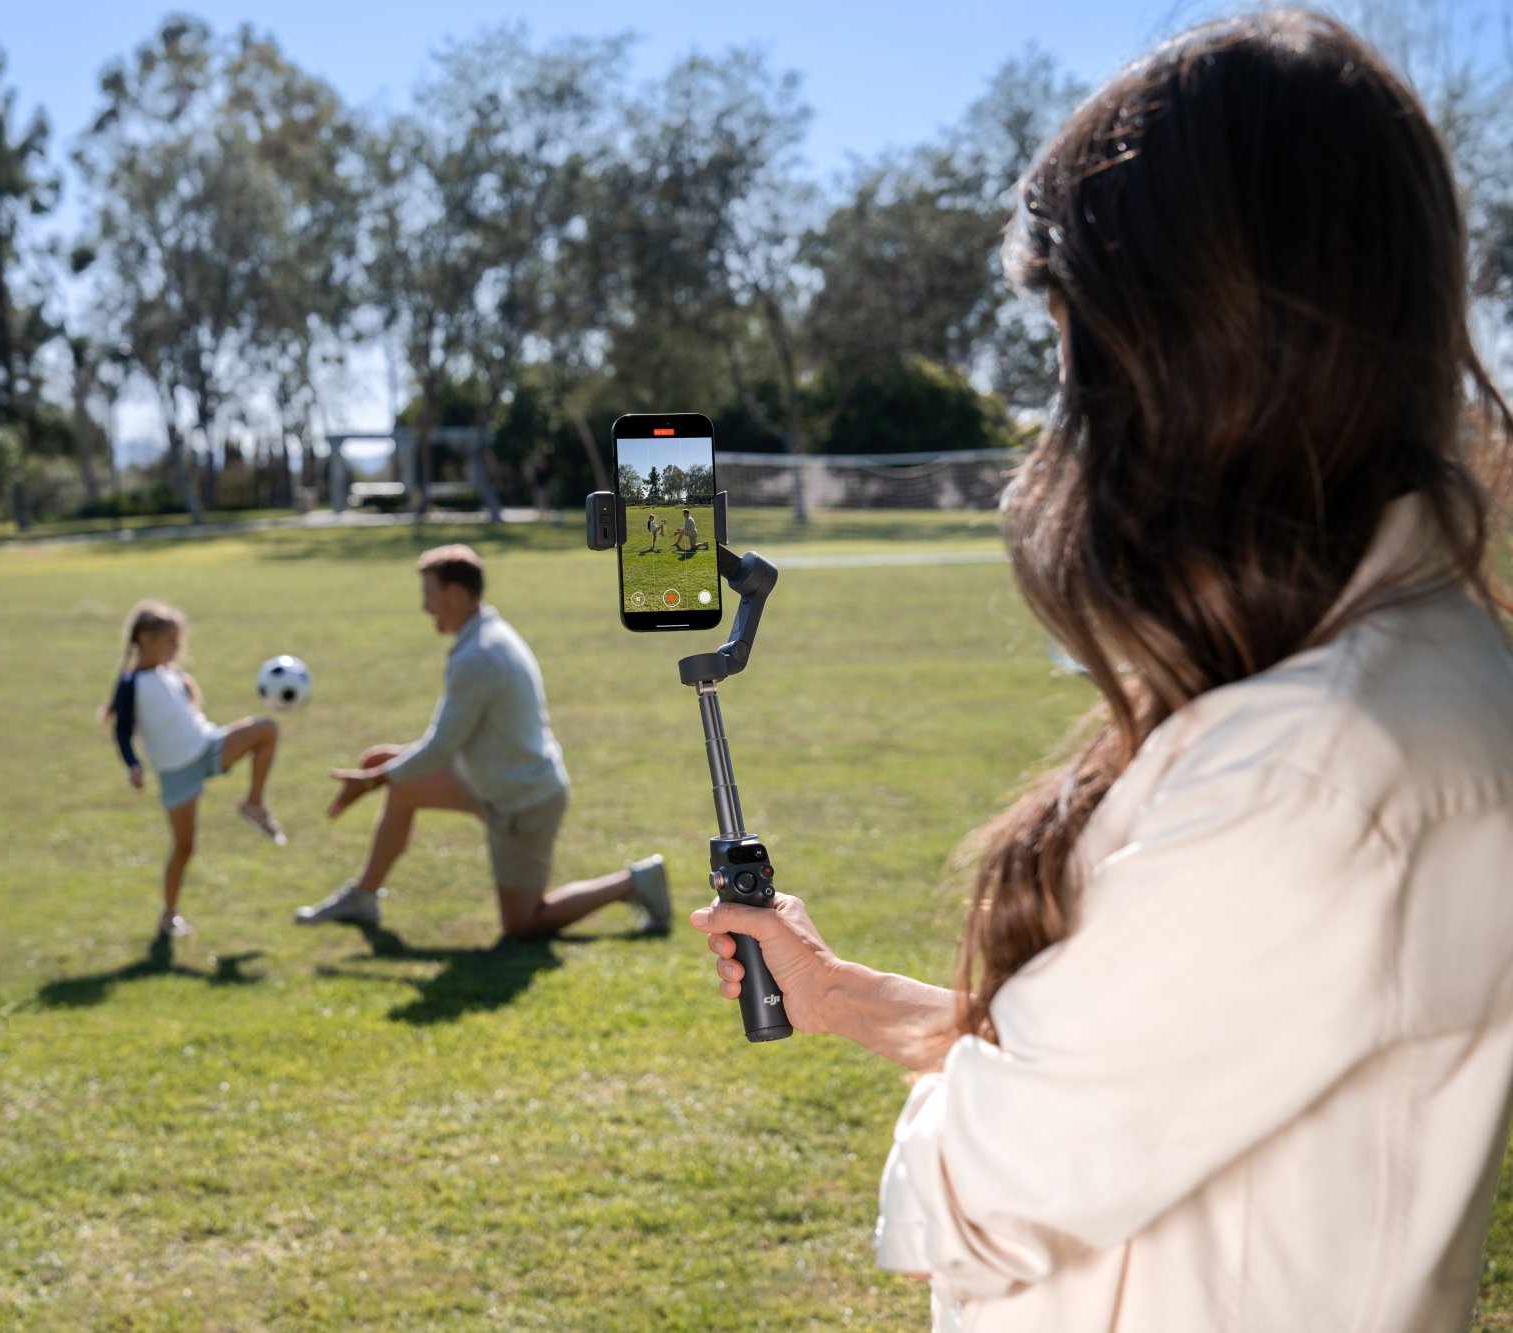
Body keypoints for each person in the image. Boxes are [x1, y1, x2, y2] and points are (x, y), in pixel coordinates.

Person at [691, 13, 1513, 1331]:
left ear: (1178, 343)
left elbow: (990, 1180)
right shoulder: (1398, 668)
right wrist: (844, 998)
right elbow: (1168, 1063)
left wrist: (958, 1099)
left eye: (1071, 329)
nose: (1059, 400)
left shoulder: (1314, 759)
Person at [297, 544, 670, 937]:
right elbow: (453, 742)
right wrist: (392, 768)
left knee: (524, 925)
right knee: (402, 783)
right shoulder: (488, 633)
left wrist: (374, 780)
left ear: (455, 594)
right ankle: (363, 897)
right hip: (488, 780)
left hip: (522, 801)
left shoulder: (479, 656)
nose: (425, 607)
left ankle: (635, 881)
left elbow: (441, 747)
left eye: (429, 596)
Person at [103, 599, 287, 938]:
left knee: (267, 730)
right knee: (185, 847)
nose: (176, 649)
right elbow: (122, 730)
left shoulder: (170, 674)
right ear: (144, 638)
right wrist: (133, 765)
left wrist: (189, 690)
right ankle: (168, 915)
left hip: (208, 747)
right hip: (176, 772)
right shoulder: (130, 685)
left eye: (177, 641)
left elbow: (185, 713)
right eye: (169, 641)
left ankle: (254, 803)